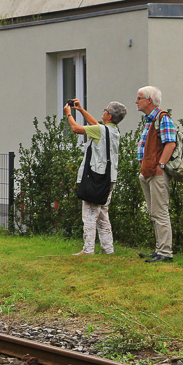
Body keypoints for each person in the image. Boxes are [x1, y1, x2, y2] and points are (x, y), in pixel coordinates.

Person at [65, 98, 127, 255]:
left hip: (96, 178)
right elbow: (96, 126)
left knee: (90, 214)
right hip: (109, 178)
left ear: (110, 116)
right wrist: (80, 109)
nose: (103, 112)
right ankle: (108, 249)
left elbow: (75, 129)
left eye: (105, 110)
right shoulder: (113, 131)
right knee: (102, 214)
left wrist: (68, 114)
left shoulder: (101, 131)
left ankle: (88, 250)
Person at [136, 85, 176, 262]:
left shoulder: (162, 118)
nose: (136, 101)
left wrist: (161, 165)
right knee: (154, 212)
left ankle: (165, 253)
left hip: (156, 172)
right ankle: (159, 249)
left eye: (139, 98)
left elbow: (170, 143)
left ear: (148, 100)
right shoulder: (149, 120)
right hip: (148, 171)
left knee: (160, 212)